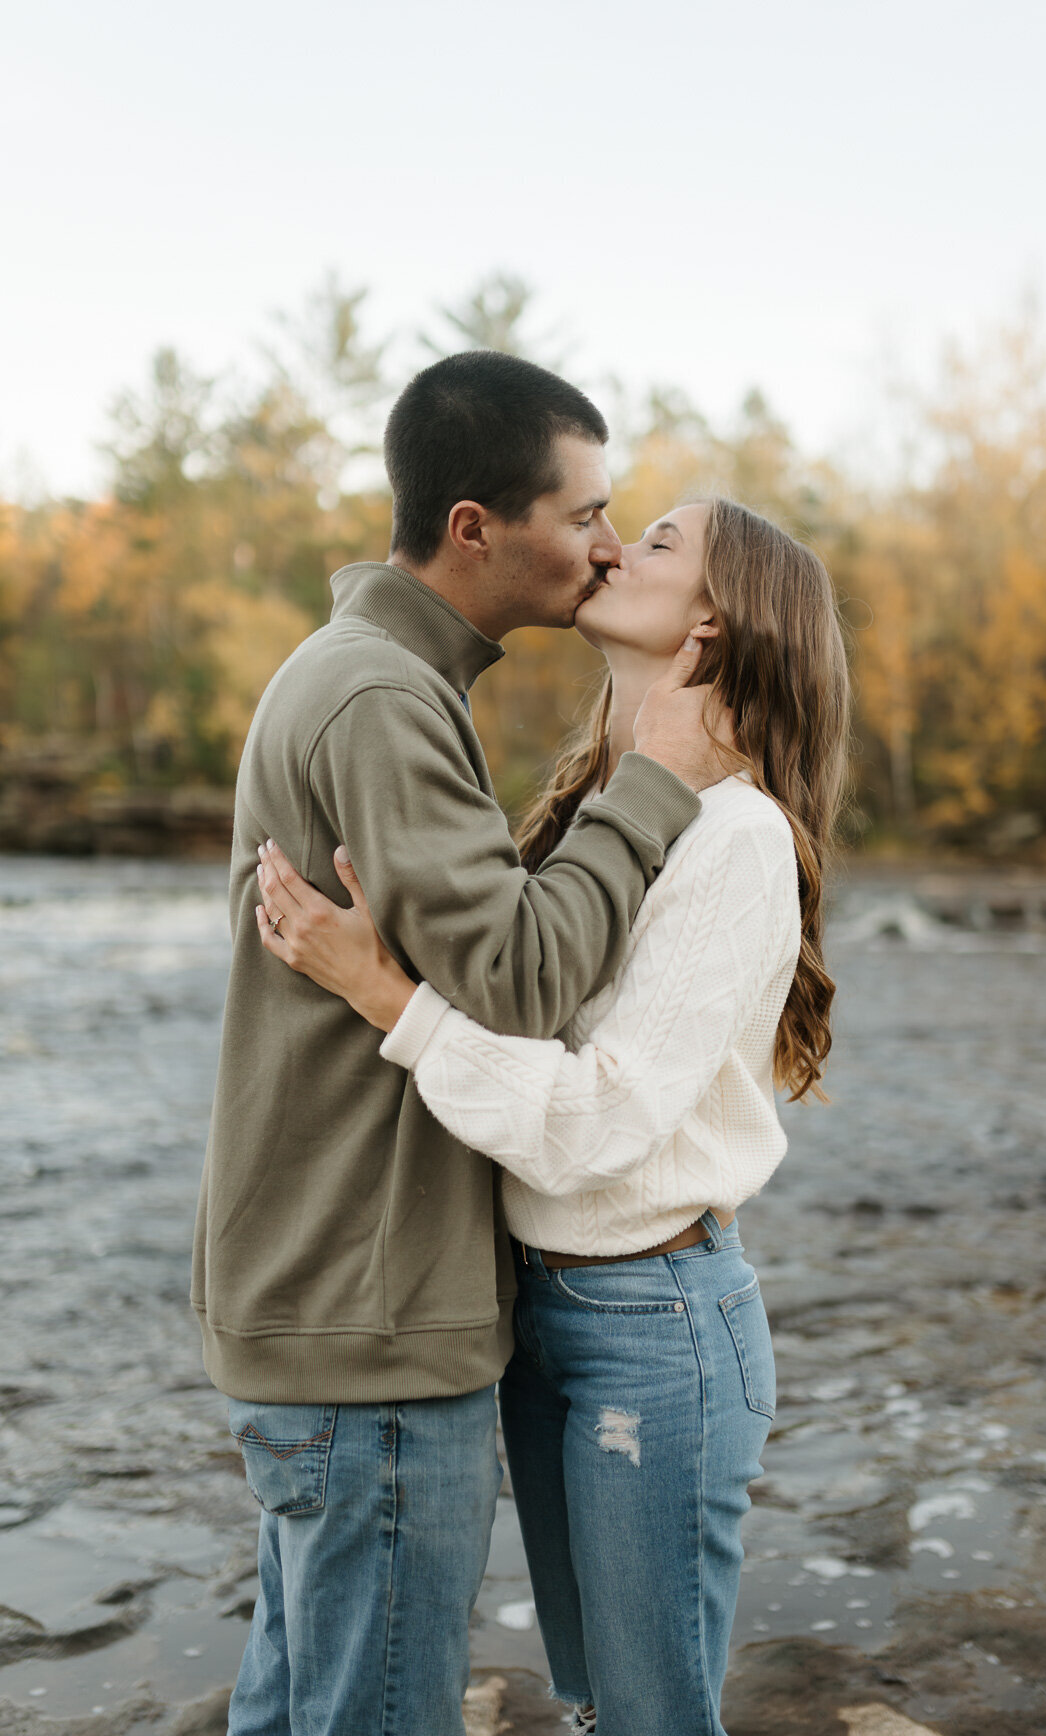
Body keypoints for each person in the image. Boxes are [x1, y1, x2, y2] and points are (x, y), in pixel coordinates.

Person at [192, 352, 734, 1736]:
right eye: (586, 514)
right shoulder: (381, 697)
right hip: (369, 1320)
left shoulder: (370, 678)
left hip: (331, 1307)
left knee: (299, 1707)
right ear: (477, 528)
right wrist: (662, 779)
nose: (608, 545)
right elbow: (521, 980)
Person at [255, 497, 852, 1736]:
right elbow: (515, 1004)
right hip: (546, 1301)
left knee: (648, 1716)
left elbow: (592, 1123)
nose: (614, 548)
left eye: (661, 543)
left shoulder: (735, 836)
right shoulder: (603, 805)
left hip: (657, 1322)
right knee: (590, 1700)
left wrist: (380, 991)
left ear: (714, 625)